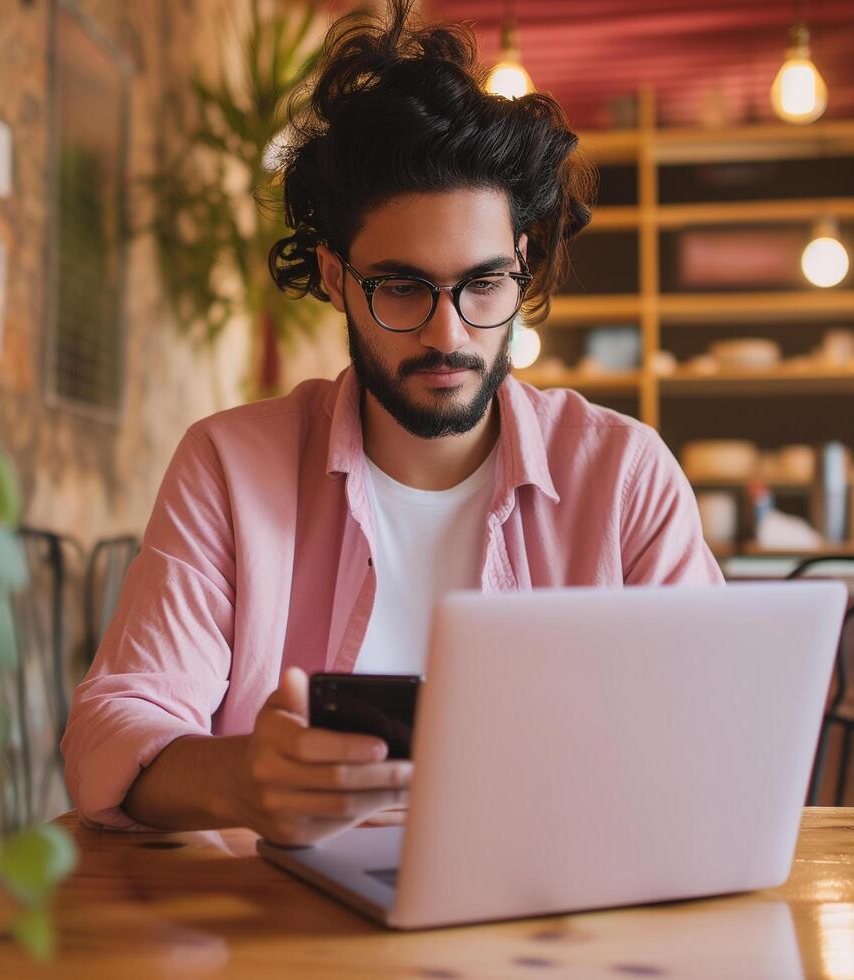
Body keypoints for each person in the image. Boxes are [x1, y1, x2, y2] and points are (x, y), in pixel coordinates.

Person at [62, 0, 722, 846]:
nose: (449, 334)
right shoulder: (230, 466)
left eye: (484, 285)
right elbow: (110, 735)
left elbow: (711, 738)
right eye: (402, 286)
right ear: (337, 279)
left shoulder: (623, 476)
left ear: (522, 266)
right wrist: (240, 780)